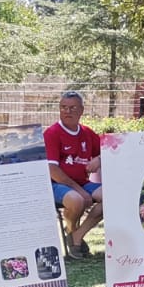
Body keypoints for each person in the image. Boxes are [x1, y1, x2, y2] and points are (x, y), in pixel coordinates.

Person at [45, 90, 103, 258]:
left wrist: (99, 158)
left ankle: (77, 235)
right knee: (77, 200)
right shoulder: (52, 133)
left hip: (83, 183)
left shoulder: (87, 133)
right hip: (56, 184)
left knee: (112, 198)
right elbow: (52, 170)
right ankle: (71, 228)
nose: (67, 112)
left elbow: (111, 151)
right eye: (63, 107)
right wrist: (79, 190)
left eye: (72, 108)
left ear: (81, 110)